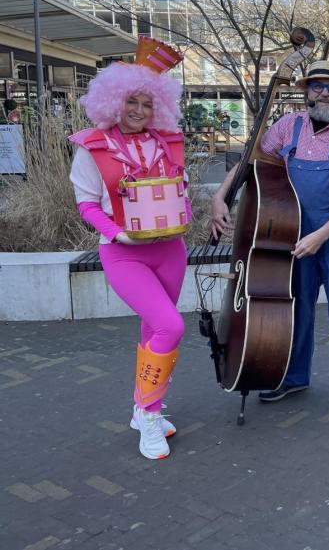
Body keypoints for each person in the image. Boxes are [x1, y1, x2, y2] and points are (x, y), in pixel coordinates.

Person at [210, 61, 329, 418]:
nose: (325, 93)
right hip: (291, 233)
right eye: (317, 85)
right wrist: (220, 196)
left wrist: (320, 236)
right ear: (306, 90)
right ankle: (294, 377)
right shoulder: (289, 127)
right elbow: (251, 161)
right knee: (294, 310)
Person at [68, 37, 188, 460]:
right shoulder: (92, 147)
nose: (138, 111)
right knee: (171, 326)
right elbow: (85, 204)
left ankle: (142, 408)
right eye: (131, 102)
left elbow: (179, 190)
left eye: (146, 103)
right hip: (124, 253)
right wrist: (118, 234)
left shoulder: (168, 142)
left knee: (154, 331)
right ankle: (149, 414)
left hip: (171, 249)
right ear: (114, 102)